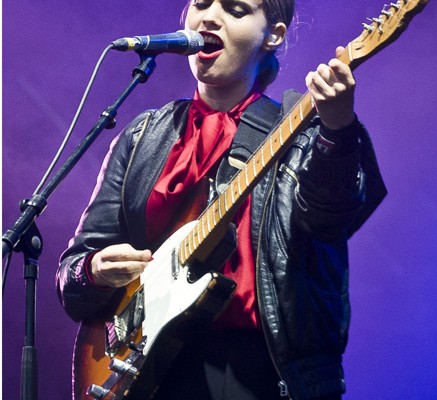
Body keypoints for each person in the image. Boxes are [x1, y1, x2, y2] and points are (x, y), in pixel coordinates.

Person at [56, 0, 387, 399]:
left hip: (259, 373)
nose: (209, 16)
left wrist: (337, 129)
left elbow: (329, 220)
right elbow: (72, 275)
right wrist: (93, 269)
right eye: (200, 3)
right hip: (148, 368)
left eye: (235, 9)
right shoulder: (142, 135)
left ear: (274, 35)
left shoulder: (302, 132)